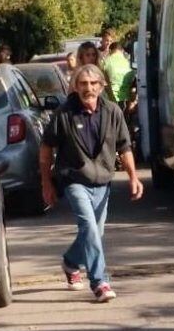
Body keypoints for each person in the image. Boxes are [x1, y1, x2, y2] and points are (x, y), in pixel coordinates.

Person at [39, 63, 143, 302]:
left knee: (96, 232)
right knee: (89, 228)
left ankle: (71, 261)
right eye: (83, 84)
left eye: (93, 83)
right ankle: (100, 282)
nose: (88, 88)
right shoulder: (63, 114)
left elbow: (124, 147)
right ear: (75, 86)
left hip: (103, 181)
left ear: (102, 85)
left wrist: (133, 177)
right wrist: (46, 183)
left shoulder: (112, 111)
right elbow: (46, 149)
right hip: (74, 179)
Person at [102, 39, 134, 107]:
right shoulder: (129, 63)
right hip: (126, 98)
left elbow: (103, 81)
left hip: (110, 98)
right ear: (122, 50)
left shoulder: (106, 62)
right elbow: (132, 82)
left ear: (110, 50)